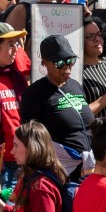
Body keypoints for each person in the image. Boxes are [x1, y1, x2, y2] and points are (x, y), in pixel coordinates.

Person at [20, 36, 94, 177]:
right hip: (58, 170)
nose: (67, 67)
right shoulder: (35, 93)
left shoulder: (76, 86)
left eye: (70, 61)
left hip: (87, 167)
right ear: (45, 63)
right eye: (60, 63)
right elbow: (30, 137)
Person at [0, 22, 29, 192]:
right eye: (10, 44)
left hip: (23, 161)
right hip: (4, 166)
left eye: (17, 43)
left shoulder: (16, 77)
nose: (16, 48)